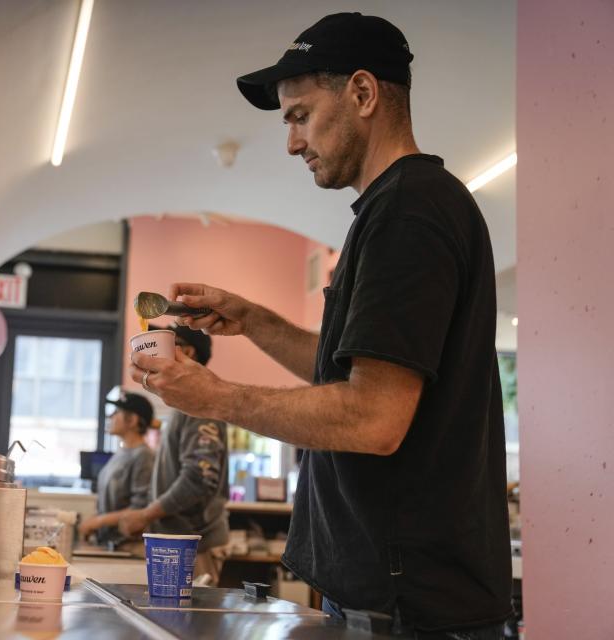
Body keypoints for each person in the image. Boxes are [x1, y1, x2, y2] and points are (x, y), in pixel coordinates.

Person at [128, 12, 511, 638]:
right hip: (388, 597)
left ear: (362, 93)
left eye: (300, 115)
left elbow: (373, 417)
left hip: (412, 608)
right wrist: (252, 321)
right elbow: (351, 373)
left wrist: (216, 396)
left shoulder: (411, 212)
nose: (291, 142)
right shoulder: (392, 210)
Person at [120, 325, 230, 584]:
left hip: (195, 545)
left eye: (168, 344)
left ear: (188, 351)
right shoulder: (185, 404)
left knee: (194, 624)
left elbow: (198, 478)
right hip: (183, 543)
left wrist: (146, 515)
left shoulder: (200, 403)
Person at [77, 391, 155, 548]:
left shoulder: (144, 456)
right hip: (110, 544)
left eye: (117, 412)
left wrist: (98, 522)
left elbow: (140, 508)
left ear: (132, 420)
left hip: (128, 547)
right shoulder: (121, 453)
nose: (110, 417)